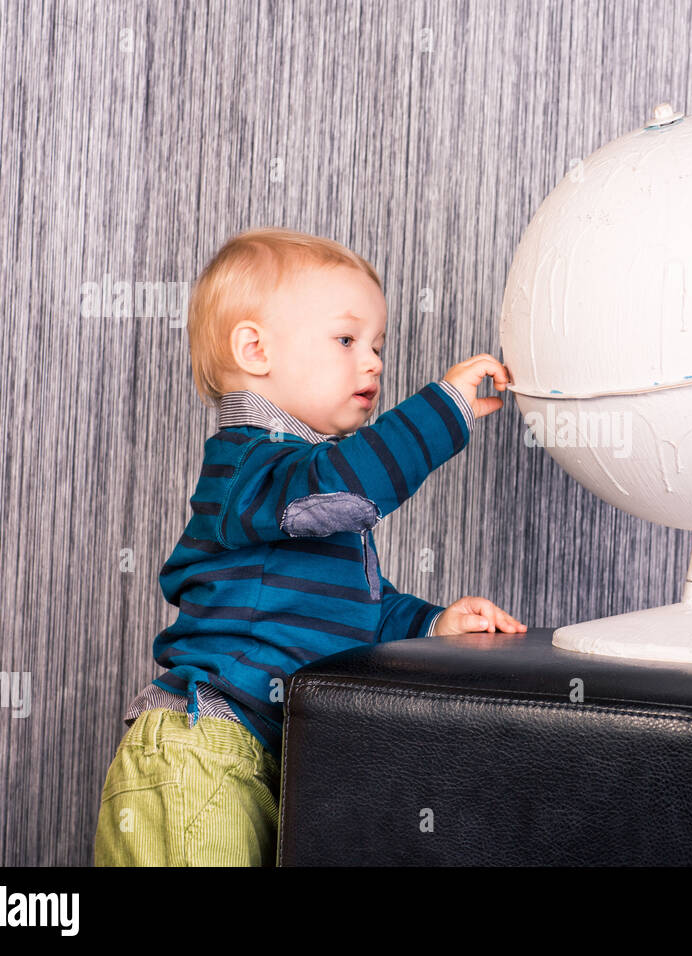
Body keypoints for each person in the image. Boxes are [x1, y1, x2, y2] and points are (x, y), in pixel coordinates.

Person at [94, 227, 525, 865]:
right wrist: (446, 407)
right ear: (255, 349)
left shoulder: (310, 501)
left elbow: (360, 614)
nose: (374, 361)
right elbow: (351, 486)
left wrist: (432, 622)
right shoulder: (252, 468)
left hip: (276, 757)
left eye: (377, 344)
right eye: (347, 340)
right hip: (202, 750)